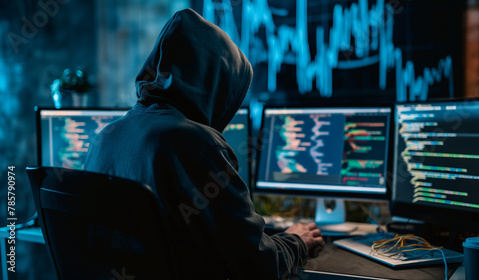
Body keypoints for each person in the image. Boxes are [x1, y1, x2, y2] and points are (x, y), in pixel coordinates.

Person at [84, 8, 323, 279]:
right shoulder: (196, 143)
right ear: (215, 83)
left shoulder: (106, 136)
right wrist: (298, 241)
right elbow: (257, 265)